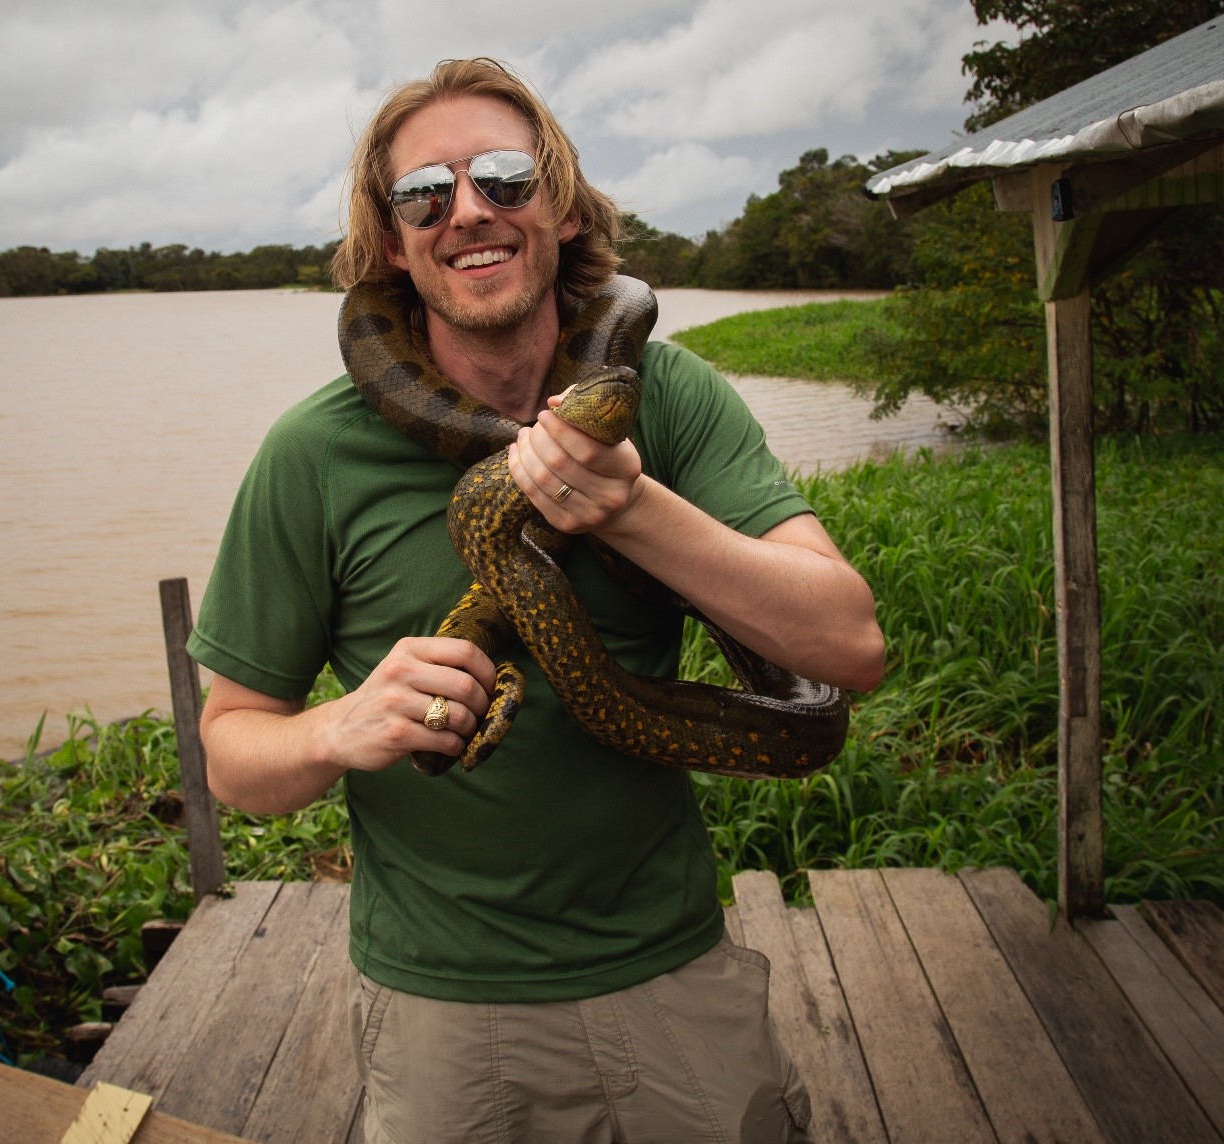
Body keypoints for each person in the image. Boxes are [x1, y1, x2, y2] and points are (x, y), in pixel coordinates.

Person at [188, 57, 884, 1144]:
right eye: (426, 192)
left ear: (561, 209)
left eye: (505, 178)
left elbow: (848, 647)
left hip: (672, 967)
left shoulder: (673, 395)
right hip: (444, 1006)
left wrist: (632, 508)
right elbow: (232, 755)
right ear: (390, 238)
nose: (468, 209)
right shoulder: (312, 453)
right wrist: (339, 725)